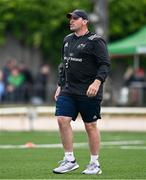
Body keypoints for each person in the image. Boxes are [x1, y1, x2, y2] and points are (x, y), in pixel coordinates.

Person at [53, 9, 110, 175]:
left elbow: (105, 64)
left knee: (90, 126)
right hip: (69, 90)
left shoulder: (96, 41)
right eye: (70, 18)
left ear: (85, 21)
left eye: (75, 18)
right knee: (62, 120)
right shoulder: (67, 40)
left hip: (89, 91)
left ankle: (94, 164)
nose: (71, 21)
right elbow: (64, 64)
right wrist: (59, 84)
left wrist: (97, 82)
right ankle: (69, 160)